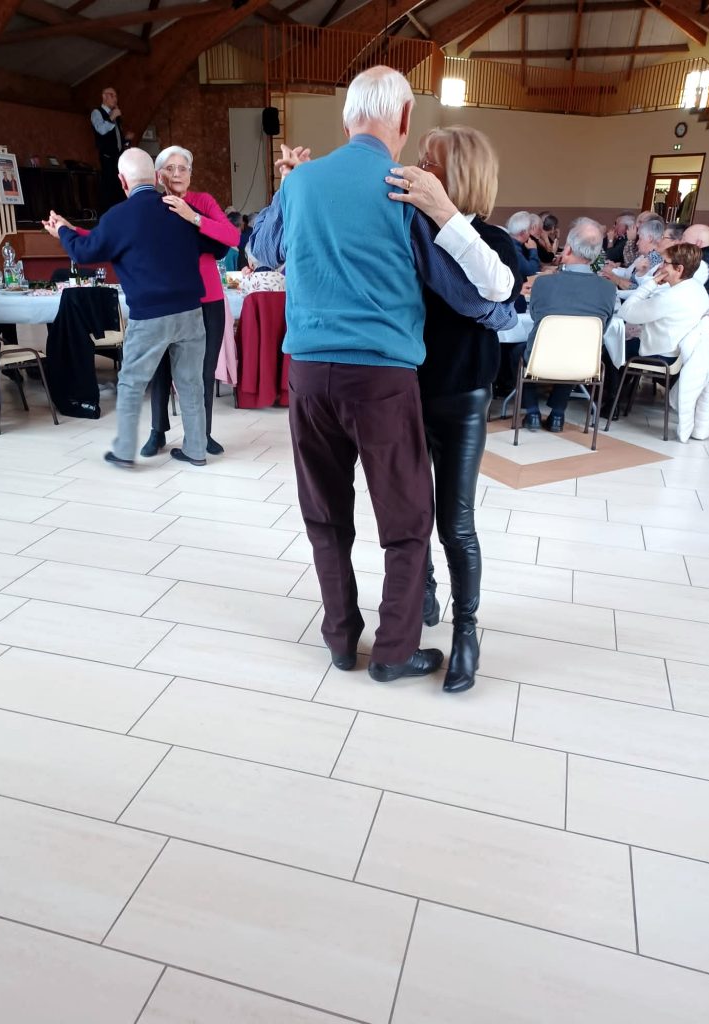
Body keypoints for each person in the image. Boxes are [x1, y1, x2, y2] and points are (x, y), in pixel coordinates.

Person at [251, 65, 516, 685]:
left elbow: (262, 251)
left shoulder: (302, 181)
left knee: (324, 514)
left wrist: (288, 185)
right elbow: (471, 293)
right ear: (404, 118)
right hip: (381, 380)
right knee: (406, 522)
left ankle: (341, 639)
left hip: (307, 375)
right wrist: (501, 314)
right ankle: (395, 650)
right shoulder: (404, 187)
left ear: (347, 118)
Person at [388, 125, 522, 692]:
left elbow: (500, 294)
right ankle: (424, 589)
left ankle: (467, 632)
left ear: (459, 175)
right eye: (420, 159)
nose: (420, 169)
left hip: (464, 395)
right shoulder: (406, 228)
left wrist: (444, 215)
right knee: (410, 509)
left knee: (455, 522)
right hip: (405, 389)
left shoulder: (494, 242)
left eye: (432, 162)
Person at [42, 148, 207, 468]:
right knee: (191, 383)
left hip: (151, 314)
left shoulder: (118, 216)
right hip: (190, 310)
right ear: (156, 177)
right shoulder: (180, 208)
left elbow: (85, 252)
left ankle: (124, 451)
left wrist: (62, 230)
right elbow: (210, 243)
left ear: (122, 180)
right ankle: (196, 449)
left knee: (132, 382)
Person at [140, 145, 240, 459]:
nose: (177, 174)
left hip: (208, 299)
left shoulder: (203, 201)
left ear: (190, 174)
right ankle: (158, 431)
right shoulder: (151, 205)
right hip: (166, 299)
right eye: (170, 168)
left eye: (183, 168)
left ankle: (202, 434)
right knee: (161, 368)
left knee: (204, 371)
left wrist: (192, 216)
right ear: (159, 176)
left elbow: (232, 237)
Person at [520, 218, 617, 432]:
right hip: (584, 362)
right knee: (578, 347)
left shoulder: (543, 283)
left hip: (542, 357)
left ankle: (532, 411)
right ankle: (557, 414)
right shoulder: (609, 289)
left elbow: (535, 316)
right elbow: (605, 326)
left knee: (519, 351)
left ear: (568, 249)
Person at [616, 243, 709, 361]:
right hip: (676, 353)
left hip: (660, 356)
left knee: (611, 350)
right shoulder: (698, 287)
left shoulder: (671, 297)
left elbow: (625, 312)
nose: (661, 266)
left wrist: (652, 283)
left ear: (679, 269)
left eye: (665, 263)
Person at [91, 86, 133, 214]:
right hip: (107, 157)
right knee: (110, 187)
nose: (115, 99)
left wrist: (125, 139)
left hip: (119, 157)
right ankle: (110, 215)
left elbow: (115, 136)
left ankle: (122, 213)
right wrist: (111, 118)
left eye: (116, 96)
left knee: (120, 186)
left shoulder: (115, 115)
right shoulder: (97, 112)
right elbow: (101, 130)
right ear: (104, 96)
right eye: (112, 95)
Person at [682, 224, 709, 303]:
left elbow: (683, 289)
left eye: (684, 240)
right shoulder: (708, 258)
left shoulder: (702, 264)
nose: (679, 243)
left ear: (698, 243)